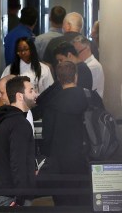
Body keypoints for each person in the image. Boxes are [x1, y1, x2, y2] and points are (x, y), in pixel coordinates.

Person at [34, 61, 91, 206]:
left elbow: (48, 135)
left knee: (62, 198)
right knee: (82, 198)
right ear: (76, 76)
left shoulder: (52, 104)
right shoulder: (89, 98)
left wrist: (46, 155)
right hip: (84, 156)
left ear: (58, 79)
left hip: (59, 159)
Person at [0, 76, 38, 207]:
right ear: (19, 96)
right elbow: (18, 162)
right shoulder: (20, 124)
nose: (35, 94)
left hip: (0, 191)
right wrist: (20, 198)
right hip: (13, 197)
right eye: (31, 91)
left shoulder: (1, 120)